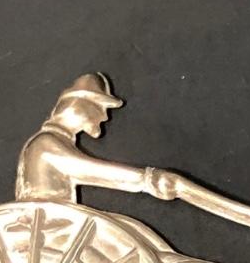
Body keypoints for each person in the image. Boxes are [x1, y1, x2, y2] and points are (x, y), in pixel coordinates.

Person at [15, 73, 153, 202]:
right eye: (99, 108)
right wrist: (149, 180)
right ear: (80, 106)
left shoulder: (51, 140)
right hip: (46, 216)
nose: (105, 116)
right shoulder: (45, 142)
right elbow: (86, 169)